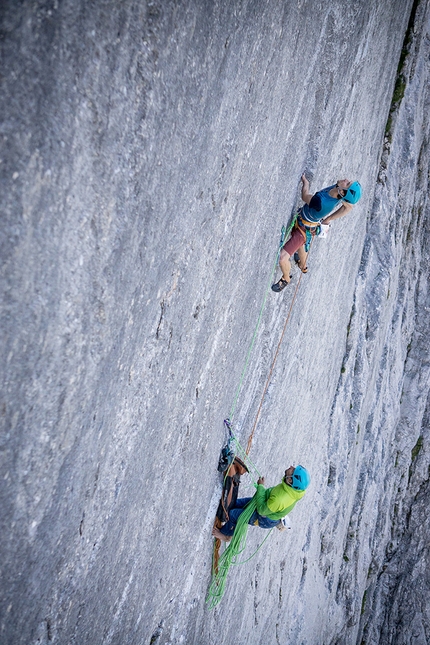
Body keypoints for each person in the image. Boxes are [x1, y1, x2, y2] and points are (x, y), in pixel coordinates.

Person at [271, 175, 362, 292]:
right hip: (307, 225)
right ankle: (302, 266)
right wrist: (328, 219)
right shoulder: (339, 191)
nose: (346, 179)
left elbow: (304, 196)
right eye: (349, 181)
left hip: (302, 229)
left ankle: (286, 278)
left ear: (343, 193)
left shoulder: (320, 202)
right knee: (301, 245)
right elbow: (349, 206)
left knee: (283, 258)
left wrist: (306, 183)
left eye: (347, 183)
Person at [212, 464, 310, 542]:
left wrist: (261, 487)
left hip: (264, 518)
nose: (291, 466)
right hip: (267, 504)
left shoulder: (280, 499)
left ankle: (226, 535)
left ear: (290, 480)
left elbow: (262, 510)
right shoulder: (295, 490)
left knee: (233, 515)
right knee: (235, 504)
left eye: (293, 470)